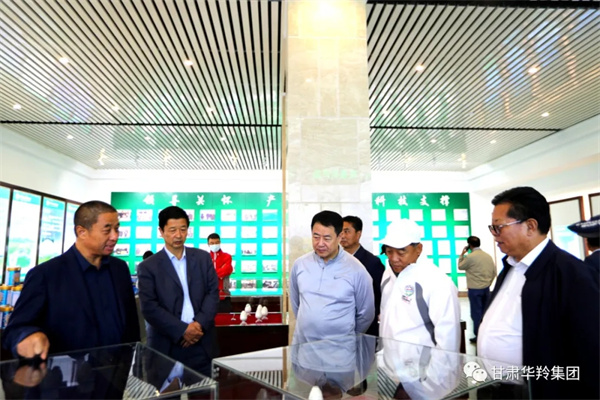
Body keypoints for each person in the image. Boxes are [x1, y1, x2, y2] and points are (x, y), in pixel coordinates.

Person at [478, 186, 599, 399]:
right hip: (497, 389)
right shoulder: (510, 268)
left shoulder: (571, 274)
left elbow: (590, 351)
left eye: (499, 227)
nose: (495, 235)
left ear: (530, 226)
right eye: (492, 228)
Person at [2, 201, 140, 359]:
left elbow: (131, 323)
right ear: (82, 232)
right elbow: (15, 329)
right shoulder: (46, 275)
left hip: (119, 368)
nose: (115, 236)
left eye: (117, 229)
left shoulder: (119, 269)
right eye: (107, 230)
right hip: (68, 371)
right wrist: (28, 336)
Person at [138, 206, 219, 376]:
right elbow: (150, 307)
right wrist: (182, 330)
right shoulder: (148, 267)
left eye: (183, 229)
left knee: (206, 389)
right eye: (172, 230)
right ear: (161, 231)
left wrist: (197, 326)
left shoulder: (202, 259)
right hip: (167, 346)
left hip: (202, 343)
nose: (178, 235)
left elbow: (212, 293)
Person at [290, 210, 375, 344]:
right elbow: (297, 305)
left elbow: (366, 315)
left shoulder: (357, 269)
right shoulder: (300, 265)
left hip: (340, 351)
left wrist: (347, 338)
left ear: (339, 237)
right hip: (304, 348)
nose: (320, 243)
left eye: (327, 238)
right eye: (316, 237)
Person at [379, 219, 460, 352]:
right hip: (389, 360)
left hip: (422, 364)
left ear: (419, 249)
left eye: (401, 252)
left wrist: (437, 367)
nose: (394, 258)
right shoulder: (388, 275)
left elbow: (448, 339)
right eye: (389, 251)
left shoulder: (437, 282)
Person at [341, 215, 385, 337]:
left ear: (358, 234)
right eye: (340, 232)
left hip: (366, 328)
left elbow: (380, 295)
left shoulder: (372, 262)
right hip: (341, 326)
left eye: (347, 231)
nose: (342, 236)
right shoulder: (336, 261)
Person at [457, 236, 496, 343]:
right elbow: (493, 272)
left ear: (469, 245)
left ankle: (478, 335)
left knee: (476, 313)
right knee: (485, 312)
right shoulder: (488, 256)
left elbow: (460, 266)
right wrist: (488, 283)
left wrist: (462, 254)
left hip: (474, 290)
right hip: (486, 289)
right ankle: (486, 334)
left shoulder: (470, 257)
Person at [207, 233, 233, 313]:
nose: (214, 245)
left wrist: (211, 273)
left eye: (217, 242)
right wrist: (219, 270)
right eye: (212, 243)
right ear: (208, 244)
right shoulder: (205, 257)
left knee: (225, 318)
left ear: (220, 242)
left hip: (223, 295)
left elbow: (227, 270)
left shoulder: (227, 256)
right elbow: (203, 274)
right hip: (208, 296)